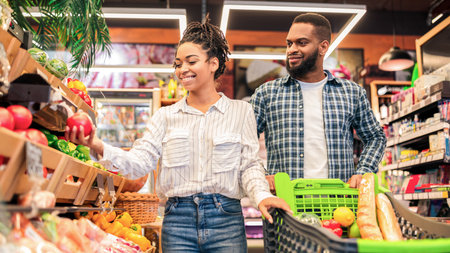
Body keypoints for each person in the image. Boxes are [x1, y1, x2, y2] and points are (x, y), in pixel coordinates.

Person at [66, 16, 291, 253]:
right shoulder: (165, 116)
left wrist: (262, 196)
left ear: (213, 64)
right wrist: (98, 145)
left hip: (227, 221)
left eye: (191, 61)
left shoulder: (241, 111)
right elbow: (139, 162)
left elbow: (249, 166)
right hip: (177, 222)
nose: (182, 69)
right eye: (177, 64)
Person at [250, 13, 387, 192]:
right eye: (289, 43)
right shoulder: (266, 93)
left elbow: (375, 137)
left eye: (302, 42)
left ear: (323, 47)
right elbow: (241, 141)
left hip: (338, 205)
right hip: (285, 204)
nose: (292, 49)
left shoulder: (351, 92)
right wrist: (261, 174)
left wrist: (364, 171)